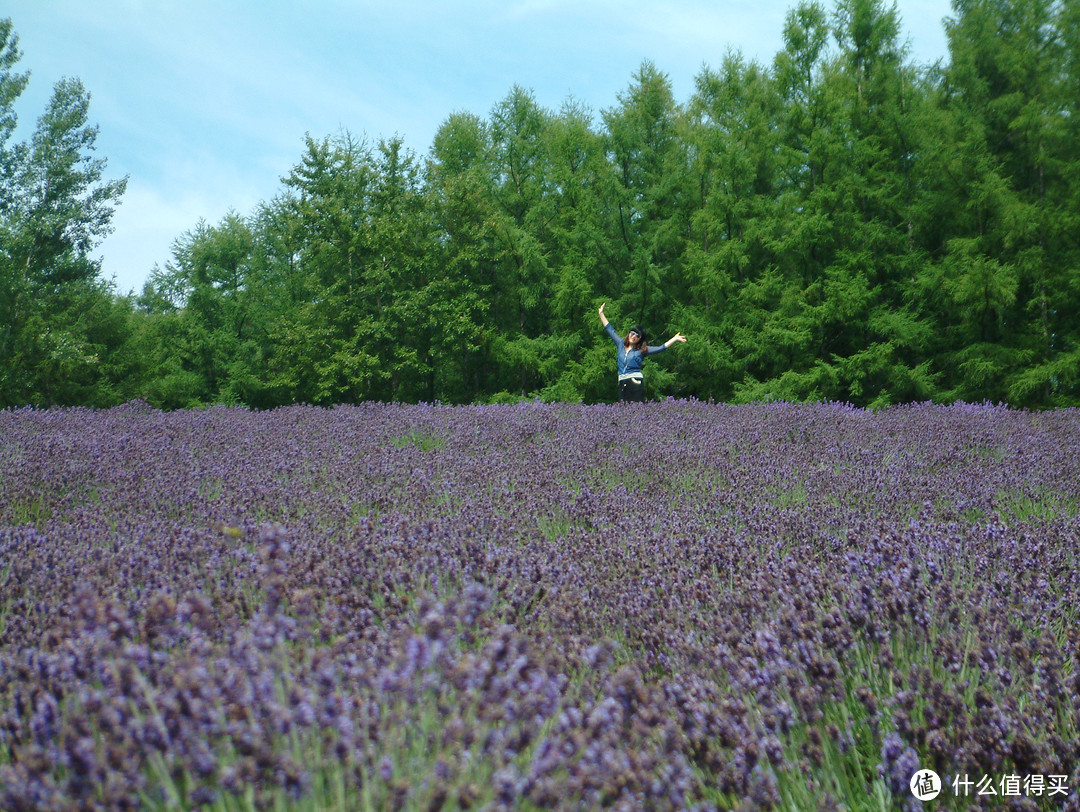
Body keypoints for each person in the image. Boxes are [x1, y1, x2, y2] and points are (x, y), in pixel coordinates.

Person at [598, 303, 686, 402]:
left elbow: (661, 348)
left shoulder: (642, 350)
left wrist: (674, 339)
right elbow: (610, 330)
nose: (633, 336)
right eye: (632, 333)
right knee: (623, 411)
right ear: (629, 333)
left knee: (637, 409)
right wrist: (601, 313)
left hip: (635, 381)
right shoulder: (621, 344)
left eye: (637, 335)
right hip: (622, 381)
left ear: (640, 339)